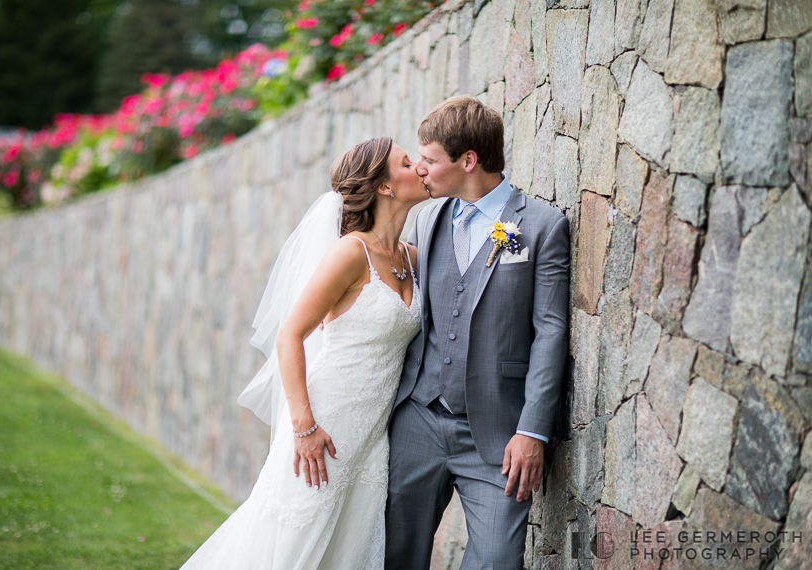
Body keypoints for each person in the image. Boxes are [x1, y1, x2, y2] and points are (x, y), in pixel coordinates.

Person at [180, 137, 429, 569]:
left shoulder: (412, 257)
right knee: (294, 541)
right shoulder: (351, 253)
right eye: (407, 163)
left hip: (372, 435)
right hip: (324, 426)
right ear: (385, 187)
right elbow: (290, 335)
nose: (421, 167)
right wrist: (304, 427)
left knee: (346, 547)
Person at [385, 95, 570, 569]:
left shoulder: (542, 227)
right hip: (418, 421)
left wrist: (532, 430)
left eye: (429, 159)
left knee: (496, 561)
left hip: (498, 434)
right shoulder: (426, 220)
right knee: (394, 555)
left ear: (468, 160)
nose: (420, 169)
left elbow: (550, 332)